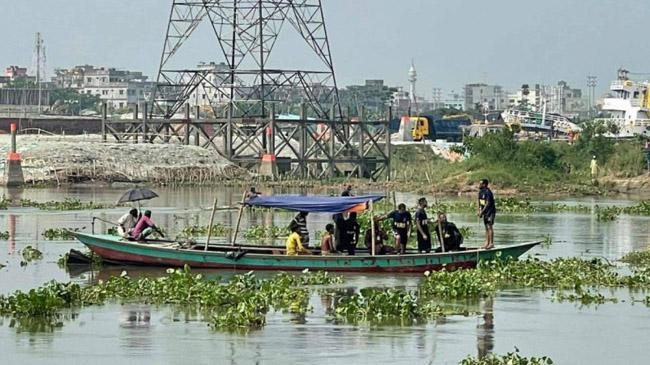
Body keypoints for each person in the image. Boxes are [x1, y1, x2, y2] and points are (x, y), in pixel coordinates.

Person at [478, 179, 496, 249]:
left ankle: (491, 243)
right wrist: (479, 211)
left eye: (480, 184)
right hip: (485, 212)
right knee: (486, 227)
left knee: (489, 226)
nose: (479, 185)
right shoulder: (480, 192)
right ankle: (486, 243)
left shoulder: (488, 192)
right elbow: (480, 202)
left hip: (490, 212)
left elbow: (487, 203)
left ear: (484, 184)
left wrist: (482, 211)